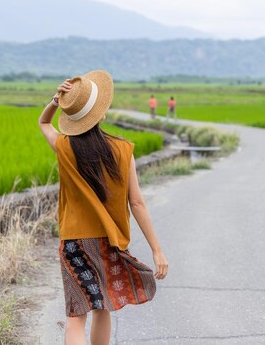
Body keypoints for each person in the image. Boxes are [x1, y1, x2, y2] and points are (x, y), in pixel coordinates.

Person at [38, 70, 169, 345]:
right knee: (102, 306)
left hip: (73, 241)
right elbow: (136, 203)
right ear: (101, 113)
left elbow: (43, 123)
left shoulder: (64, 146)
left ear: (73, 120)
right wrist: (157, 250)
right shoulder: (123, 150)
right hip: (108, 241)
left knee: (76, 315)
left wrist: (55, 100)